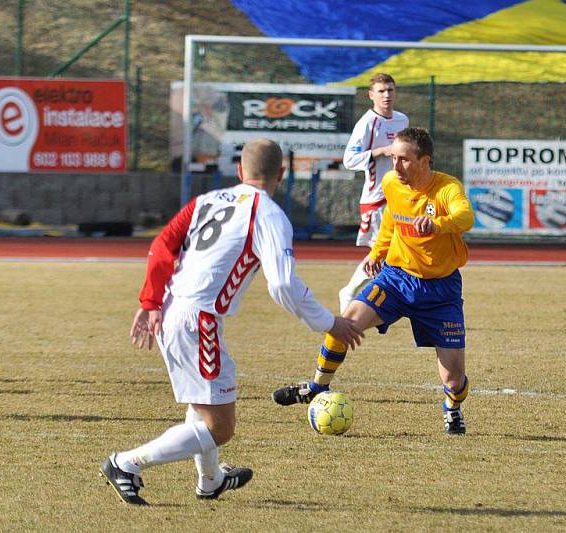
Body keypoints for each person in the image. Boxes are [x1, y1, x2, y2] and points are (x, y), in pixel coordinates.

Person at [100, 139, 363, 505]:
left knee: (202, 409)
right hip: (198, 319)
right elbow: (283, 283)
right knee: (220, 428)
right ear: (281, 174)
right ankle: (126, 463)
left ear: (239, 171)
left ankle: (211, 481)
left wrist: (150, 300)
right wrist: (328, 322)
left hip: (176, 307)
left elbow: (162, 244)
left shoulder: (206, 201)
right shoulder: (268, 213)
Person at [273, 128, 475, 435]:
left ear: (425, 160)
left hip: (440, 289)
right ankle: (316, 386)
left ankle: (452, 408)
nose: (396, 166)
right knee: (347, 322)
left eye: (404, 159)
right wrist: (378, 251)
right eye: (393, 158)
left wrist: (438, 223)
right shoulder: (392, 182)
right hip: (396, 278)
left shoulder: (447, 188)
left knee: (454, 380)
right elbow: (392, 219)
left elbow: (466, 217)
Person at [339, 73, 409, 313]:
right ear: (371, 96)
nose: (386, 95)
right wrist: (382, 151)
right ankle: (351, 292)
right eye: (381, 91)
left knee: (395, 249)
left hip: (398, 195)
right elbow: (349, 159)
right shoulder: (368, 123)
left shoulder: (402, 120)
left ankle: (363, 295)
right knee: (385, 251)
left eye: (390, 90)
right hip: (376, 198)